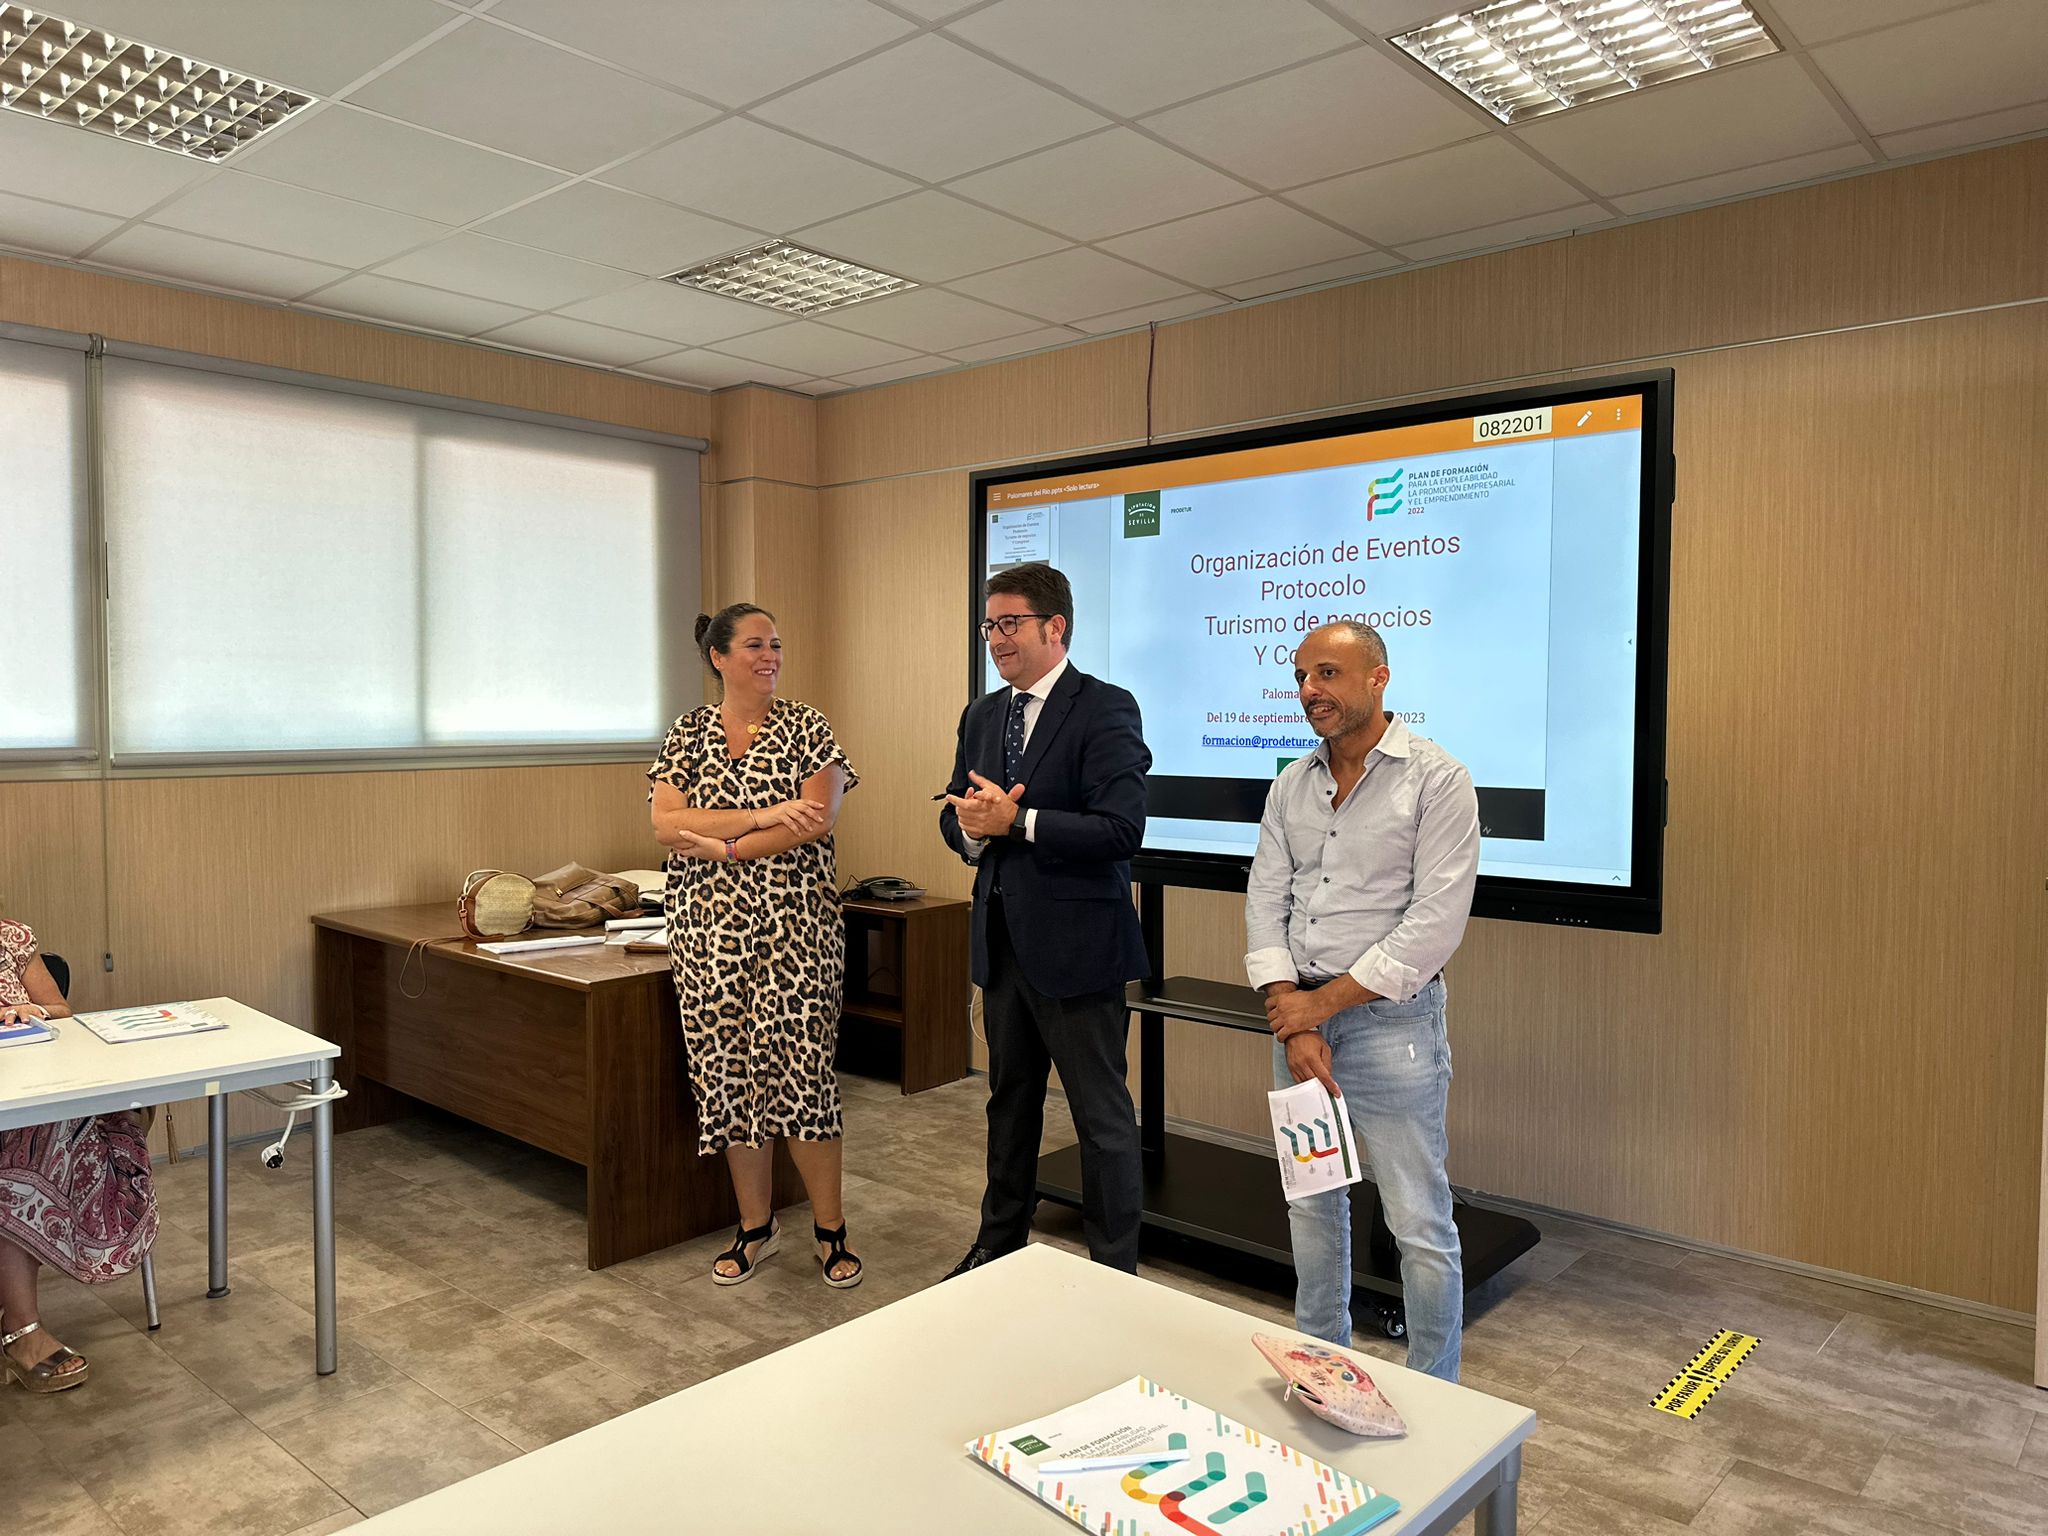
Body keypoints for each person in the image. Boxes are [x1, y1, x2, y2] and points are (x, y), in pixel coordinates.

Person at [1245, 621, 1479, 1382]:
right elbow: (1266, 902)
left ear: (1378, 678)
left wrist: (1319, 1009)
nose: (1309, 690)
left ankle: (1438, 1390)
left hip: (1391, 1030)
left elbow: (1433, 927)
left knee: (1418, 1222)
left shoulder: (1437, 780)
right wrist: (1293, 1014)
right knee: (1313, 1209)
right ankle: (1323, 1373)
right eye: (1301, 676)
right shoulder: (1292, 784)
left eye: (1328, 673)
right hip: (1301, 1028)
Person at [940, 562, 1151, 1277]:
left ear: (1055, 627)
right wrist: (972, 831)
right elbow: (957, 812)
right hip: (1002, 945)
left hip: (1079, 949)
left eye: (1010, 623)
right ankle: (997, 1246)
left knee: (1100, 1118)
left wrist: (1018, 821)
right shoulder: (981, 715)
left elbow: (1121, 830)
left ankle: (1114, 1272)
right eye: (989, 625)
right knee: (1009, 1105)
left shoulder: (1105, 707)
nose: (996, 638)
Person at [647, 603, 864, 1289]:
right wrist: (766, 813)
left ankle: (830, 1231)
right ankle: (755, 1227)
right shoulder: (688, 731)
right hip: (707, 933)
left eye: (775, 644)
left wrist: (727, 847)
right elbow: (665, 824)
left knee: (804, 1075)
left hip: (798, 930)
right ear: (718, 657)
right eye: (754, 645)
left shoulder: (807, 726)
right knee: (728, 1078)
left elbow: (817, 818)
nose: (770, 656)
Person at [0, 916, 159, 1393]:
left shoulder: (11, 937)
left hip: (31, 1095)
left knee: (47, 1136)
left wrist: (30, 1010)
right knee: (21, 1157)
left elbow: (62, 1011)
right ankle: (21, 1330)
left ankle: (17, 1324)